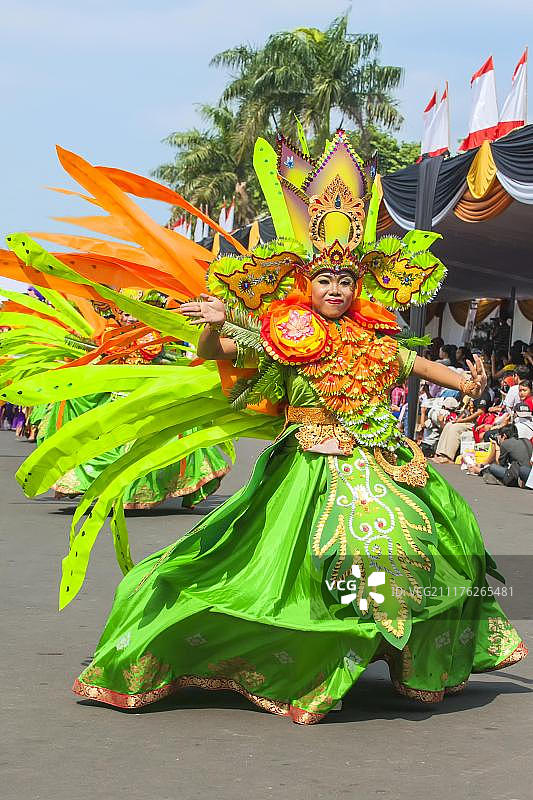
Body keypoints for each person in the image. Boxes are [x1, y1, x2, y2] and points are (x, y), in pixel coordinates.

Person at [4, 130, 526, 724]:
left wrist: (471, 384)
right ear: (307, 282)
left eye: (346, 280)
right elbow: (220, 353)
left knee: (448, 543)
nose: (335, 289)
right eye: (325, 279)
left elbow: (428, 367)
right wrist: (213, 325)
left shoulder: (379, 338)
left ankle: (398, 653)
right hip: (311, 468)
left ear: (361, 285)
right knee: (295, 570)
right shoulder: (287, 336)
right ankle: (301, 660)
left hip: (385, 459)